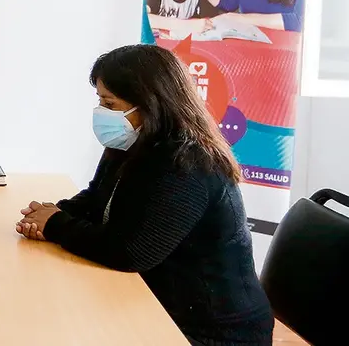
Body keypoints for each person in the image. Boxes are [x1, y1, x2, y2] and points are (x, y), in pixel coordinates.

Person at [15, 45, 274, 346]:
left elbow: (130, 252)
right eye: (100, 101)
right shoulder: (133, 143)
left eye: (110, 104)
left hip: (211, 331)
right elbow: (98, 198)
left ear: (149, 104)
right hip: (160, 303)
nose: (101, 113)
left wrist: (57, 224)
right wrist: (50, 214)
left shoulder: (186, 163)